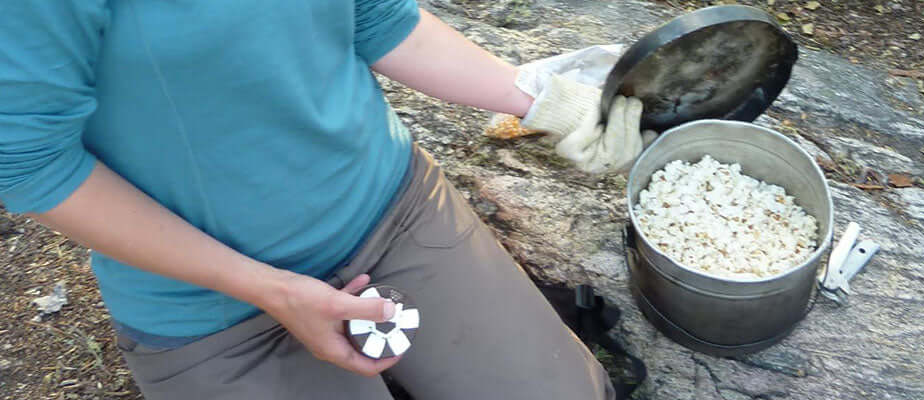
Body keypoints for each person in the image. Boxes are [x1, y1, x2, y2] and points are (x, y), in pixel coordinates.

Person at [0, 2, 645, 399]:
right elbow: (32, 165)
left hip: (392, 210)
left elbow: (374, 16)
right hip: (209, 309)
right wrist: (273, 291)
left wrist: (545, 101)